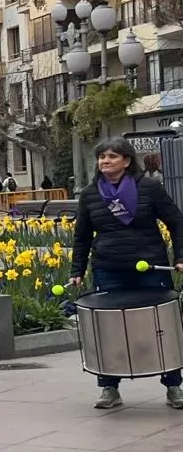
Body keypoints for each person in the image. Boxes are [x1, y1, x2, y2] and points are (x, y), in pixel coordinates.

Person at [69, 136, 183, 409]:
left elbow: (177, 222)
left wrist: (181, 256)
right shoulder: (90, 194)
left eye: (112, 156)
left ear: (127, 161)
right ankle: (109, 388)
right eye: (102, 157)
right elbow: (82, 236)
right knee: (107, 331)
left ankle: (174, 387)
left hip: (150, 267)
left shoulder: (150, 188)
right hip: (109, 269)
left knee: (162, 327)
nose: (105, 161)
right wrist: (77, 269)